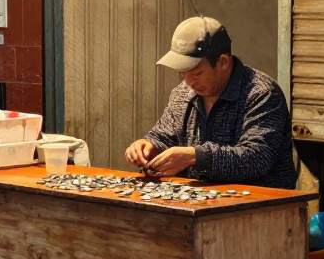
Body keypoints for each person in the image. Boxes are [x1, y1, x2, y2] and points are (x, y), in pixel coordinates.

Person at [124, 15, 295, 189]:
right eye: (182, 73)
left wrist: (197, 157)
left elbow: (257, 158)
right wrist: (148, 147)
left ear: (223, 62)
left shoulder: (261, 93)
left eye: (197, 73)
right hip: (198, 205)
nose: (189, 82)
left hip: (261, 207)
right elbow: (164, 137)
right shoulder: (183, 92)